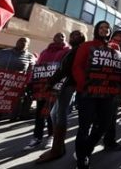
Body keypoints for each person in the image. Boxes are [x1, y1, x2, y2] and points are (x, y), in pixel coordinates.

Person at [72, 21, 121, 169]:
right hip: (88, 93)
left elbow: (120, 70)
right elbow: (77, 66)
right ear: (97, 30)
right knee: (84, 127)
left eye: (107, 28)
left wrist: (120, 90)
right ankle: (82, 159)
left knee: (104, 124)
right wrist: (85, 85)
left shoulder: (116, 49)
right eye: (102, 27)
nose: (105, 30)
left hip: (108, 94)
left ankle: (86, 149)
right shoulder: (86, 46)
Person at [36, 30, 86, 163]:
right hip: (64, 83)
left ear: (82, 38)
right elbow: (63, 67)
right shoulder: (72, 50)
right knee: (53, 113)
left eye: (77, 35)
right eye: (72, 35)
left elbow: (65, 69)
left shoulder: (79, 50)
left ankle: (57, 148)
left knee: (60, 112)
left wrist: (50, 82)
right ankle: (58, 146)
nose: (73, 37)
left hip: (70, 84)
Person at [0, 37, 36, 153]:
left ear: (28, 45)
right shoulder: (2, 52)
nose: (21, 42)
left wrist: (23, 88)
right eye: (19, 40)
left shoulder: (30, 57)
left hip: (8, 93)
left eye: (24, 41)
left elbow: (29, 76)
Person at [24, 32, 71, 151]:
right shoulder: (45, 52)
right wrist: (31, 82)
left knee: (52, 113)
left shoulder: (67, 51)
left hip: (57, 87)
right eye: (57, 36)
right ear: (54, 38)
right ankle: (36, 137)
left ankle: (51, 136)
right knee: (40, 113)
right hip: (42, 87)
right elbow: (38, 66)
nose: (60, 38)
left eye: (62, 37)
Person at [102, 29, 121, 151]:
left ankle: (109, 141)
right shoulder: (103, 45)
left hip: (116, 86)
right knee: (98, 116)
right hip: (100, 85)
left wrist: (120, 57)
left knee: (111, 115)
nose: (119, 38)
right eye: (117, 35)